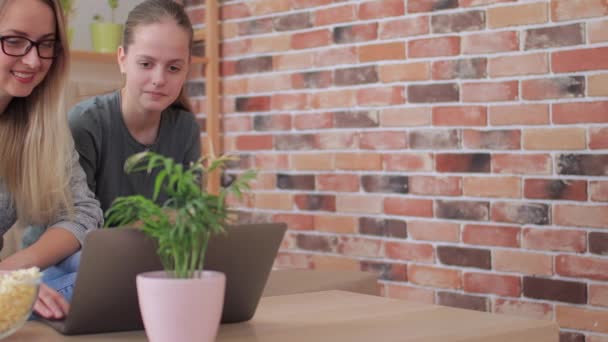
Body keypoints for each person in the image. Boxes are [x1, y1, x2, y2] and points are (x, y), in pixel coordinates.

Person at [0, 0, 103, 320]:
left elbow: (83, 212)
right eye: (14, 40)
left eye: (46, 44)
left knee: (97, 268)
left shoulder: (40, 127)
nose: (33, 60)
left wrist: (13, 272)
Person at [68, 0, 201, 212]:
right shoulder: (85, 124)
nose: (159, 79)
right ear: (122, 59)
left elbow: (186, 219)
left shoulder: (185, 128)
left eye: (174, 67)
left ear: (187, 69)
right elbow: (77, 225)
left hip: (153, 247)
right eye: (146, 64)